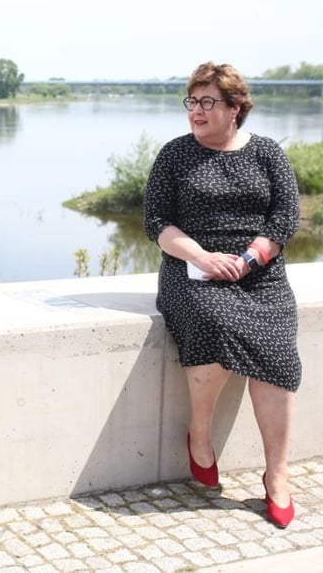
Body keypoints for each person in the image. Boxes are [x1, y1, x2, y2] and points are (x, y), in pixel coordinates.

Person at [143, 61, 300, 529]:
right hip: (192, 274)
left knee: (279, 354)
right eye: (192, 101)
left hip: (261, 275)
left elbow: (284, 219)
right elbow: (157, 223)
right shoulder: (174, 155)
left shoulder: (268, 153)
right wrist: (205, 258)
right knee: (214, 325)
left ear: (236, 108)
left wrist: (250, 259)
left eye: (208, 102)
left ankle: (277, 475)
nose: (196, 110)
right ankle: (199, 437)